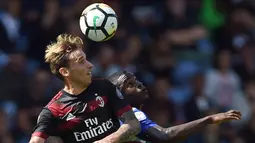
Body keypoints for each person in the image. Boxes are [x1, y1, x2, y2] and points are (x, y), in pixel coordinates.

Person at [29, 34, 141, 143]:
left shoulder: (104, 87)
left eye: (86, 59)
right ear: (65, 71)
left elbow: (133, 123)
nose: (90, 65)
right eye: (81, 61)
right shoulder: (53, 110)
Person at [108, 71, 242, 142]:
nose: (140, 84)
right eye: (130, 85)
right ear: (119, 96)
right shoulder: (133, 114)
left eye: (136, 80)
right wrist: (209, 120)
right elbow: (165, 135)